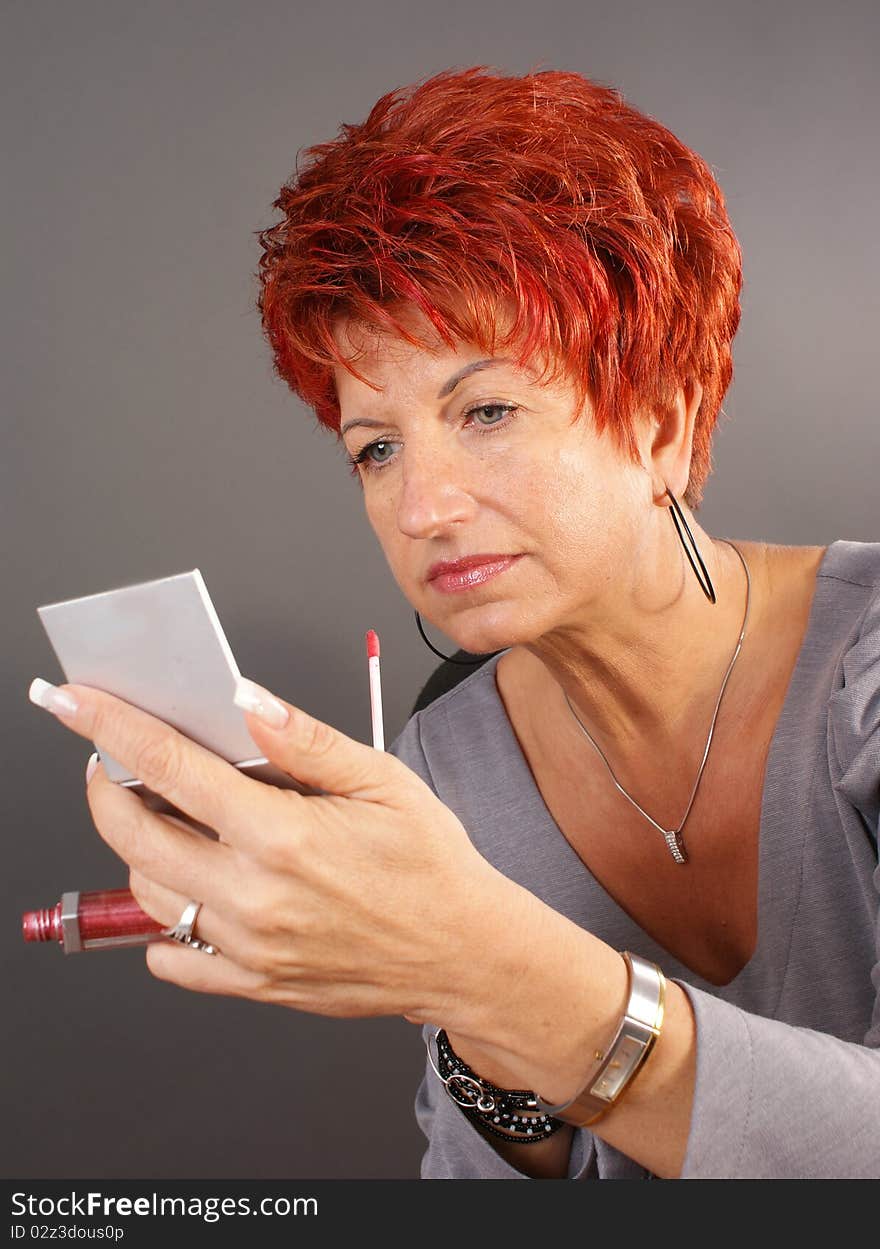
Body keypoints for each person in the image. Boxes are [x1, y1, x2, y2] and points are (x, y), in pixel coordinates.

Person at [29, 66, 879, 1179]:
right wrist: (465, 1017)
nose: (420, 508)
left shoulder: (859, 674)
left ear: (664, 423)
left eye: (486, 410)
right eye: (374, 448)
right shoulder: (437, 764)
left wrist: (488, 967)